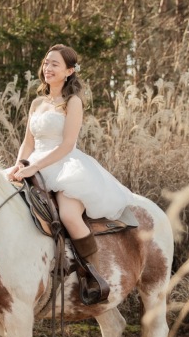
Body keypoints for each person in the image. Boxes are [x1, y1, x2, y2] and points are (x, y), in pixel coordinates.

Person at [8, 44, 133, 304]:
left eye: (55, 64)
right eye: (46, 62)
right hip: (33, 164)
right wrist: (20, 164)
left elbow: (66, 145)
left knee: (68, 215)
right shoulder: (37, 102)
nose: (48, 68)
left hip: (64, 164)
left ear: (69, 71)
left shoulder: (72, 102)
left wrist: (35, 166)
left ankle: (94, 277)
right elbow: (28, 143)